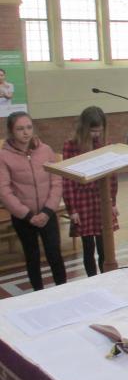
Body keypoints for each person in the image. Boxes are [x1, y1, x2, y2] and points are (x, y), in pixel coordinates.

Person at [0, 112, 66, 290]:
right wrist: (28, 215)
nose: (25, 132)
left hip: (48, 213)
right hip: (24, 217)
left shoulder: (46, 150)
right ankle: (38, 293)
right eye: (20, 129)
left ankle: (63, 289)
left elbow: (57, 181)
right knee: (32, 256)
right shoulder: (3, 156)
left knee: (54, 253)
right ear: (11, 131)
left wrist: (47, 211)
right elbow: (4, 191)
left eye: (28, 127)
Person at [62, 107, 118, 276]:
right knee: (88, 248)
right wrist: (72, 209)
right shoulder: (71, 146)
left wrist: (113, 202)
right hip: (82, 202)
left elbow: (112, 176)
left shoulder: (106, 145)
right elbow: (68, 180)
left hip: (101, 201)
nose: (96, 135)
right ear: (84, 128)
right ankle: (92, 279)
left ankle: (106, 277)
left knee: (104, 247)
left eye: (99, 131)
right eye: (92, 131)